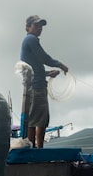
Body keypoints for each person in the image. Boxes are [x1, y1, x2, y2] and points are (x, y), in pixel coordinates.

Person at [20, 15, 69, 148]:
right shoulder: (31, 39)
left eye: (41, 26)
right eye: (36, 25)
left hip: (35, 83)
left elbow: (35, 66)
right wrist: (60, 65)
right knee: (39, 120)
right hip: (36, 86)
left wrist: (48, 73)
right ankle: (37, 149)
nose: (39, 28)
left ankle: (33, 148)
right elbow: (44, 58)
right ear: (28, 27)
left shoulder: (30, 40)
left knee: (36, 117)